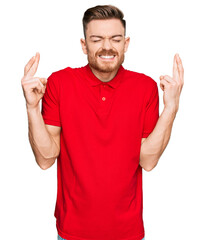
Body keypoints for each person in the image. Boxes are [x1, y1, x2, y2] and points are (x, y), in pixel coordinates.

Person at [21, 5, 184, 240]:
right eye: (97, 39)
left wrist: (172, 107)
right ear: (84, 44)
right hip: (72, 233)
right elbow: (45, 159)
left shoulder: (145, 87)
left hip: (128, 233)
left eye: (115, 39)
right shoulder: (59, 83)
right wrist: (31, 107)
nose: (107, 47)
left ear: (125, 44)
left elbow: (147, 161)